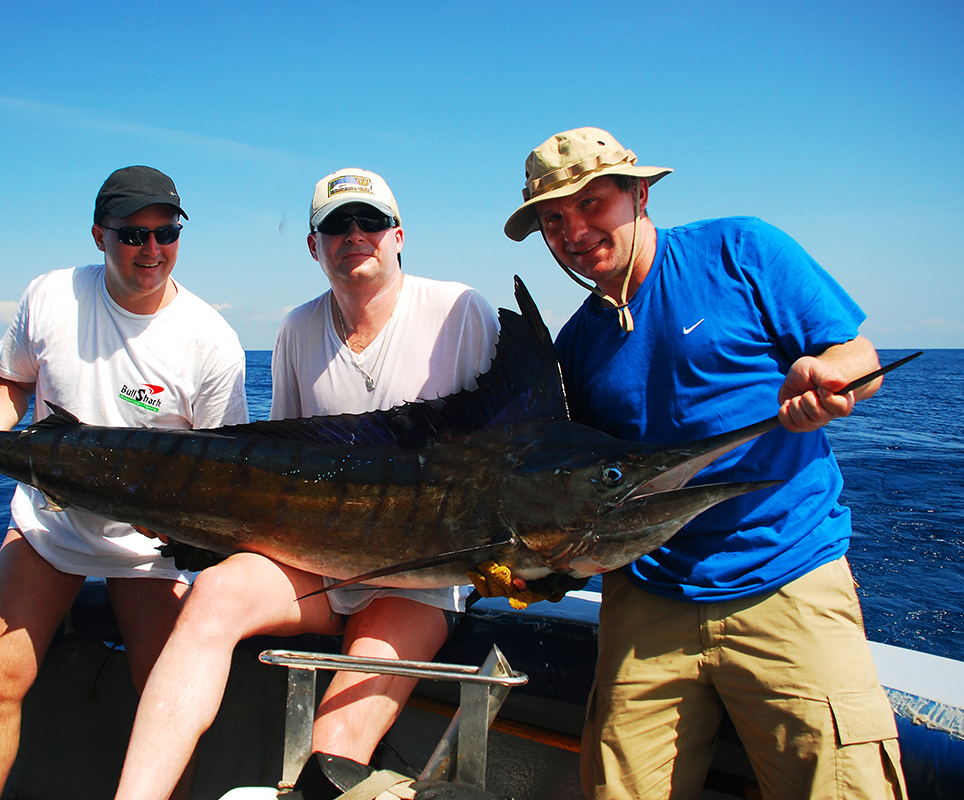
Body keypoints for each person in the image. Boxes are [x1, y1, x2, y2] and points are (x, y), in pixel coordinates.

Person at [504, 128, 907, 800]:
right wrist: (538, 567)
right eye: (553, 219)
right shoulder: (575, 342)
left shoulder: (741, 250)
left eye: (592, 204)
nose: (573, 231)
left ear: (639, 195)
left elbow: (858, 362)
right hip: (648, 592)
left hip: (787, 575)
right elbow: (579, 496)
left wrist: (829, 377)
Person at [113, 168, 499, 800]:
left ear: (398, 235)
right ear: (314, 246)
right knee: (210, 595)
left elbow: (511, 455)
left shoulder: (460, 312)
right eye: (335, 225)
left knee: (331, 750)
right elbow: (280, 470)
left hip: (419, 579)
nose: (355, 235)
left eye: (370, 222)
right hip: (315, 561)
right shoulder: (296, 329)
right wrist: (189, 517)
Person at [0, 166, 249, 800]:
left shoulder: (212, 341)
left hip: (147, 551)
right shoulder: (52, 295)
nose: (151, 249)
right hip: (47, 527)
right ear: (98, 236)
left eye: (166, 232)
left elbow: (224, 476)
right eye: (132, 234)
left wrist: (177, 522)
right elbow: (12, 383)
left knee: (168, 712)